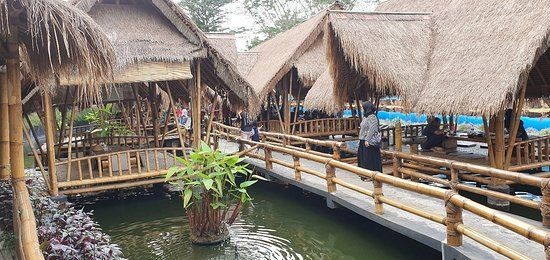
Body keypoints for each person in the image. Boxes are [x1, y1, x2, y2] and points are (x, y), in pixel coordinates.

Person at [358, 101, 382, 180]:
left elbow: (373, 128)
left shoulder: (372, 117)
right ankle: (364, 175)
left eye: (363, 107)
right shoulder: (365, 116)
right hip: (362, 140)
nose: (362, 109)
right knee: (364, 158)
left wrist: (367, 139)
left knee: (370, 158)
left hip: (368, 141)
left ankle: (371, 175)